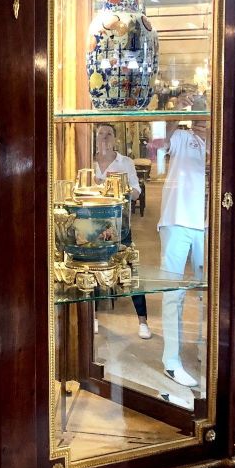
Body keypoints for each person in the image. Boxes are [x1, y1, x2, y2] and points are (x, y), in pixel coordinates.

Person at [158, 118, 207, 387]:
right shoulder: (179, 136)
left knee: (206, 293)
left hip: (206, 223)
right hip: (176, 219)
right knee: (171, 292)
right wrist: (175, 114)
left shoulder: (215, 138)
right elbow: (159, 142)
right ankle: (171, 361)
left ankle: (203, 348)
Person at [93, 123, 151, 339]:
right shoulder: (87, 161)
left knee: (131, 269)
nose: (105, 138)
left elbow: (136, 191)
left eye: (109, 134)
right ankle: (93, 317)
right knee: (91, 270)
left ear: (115, 139)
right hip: (92, 226)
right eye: (101, 134)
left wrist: (115, 189)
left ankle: (143, 320)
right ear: (96, 138)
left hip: (119, 225)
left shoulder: (124, 162)